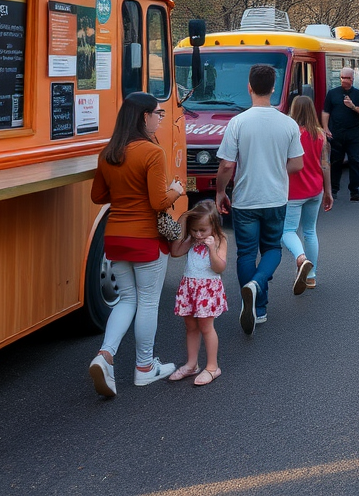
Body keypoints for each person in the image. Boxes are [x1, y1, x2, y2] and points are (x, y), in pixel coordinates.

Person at [88, 91, 184, 397]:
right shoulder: (152, 153)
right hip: (146, 239)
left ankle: (105, 355)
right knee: (148, 302)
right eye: (158, 114)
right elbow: (158, 202)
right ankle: (144, 367)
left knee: (126, 300)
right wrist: (177, 190)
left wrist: (124, 191)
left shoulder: (109, 152)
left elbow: (98, 196)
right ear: (144, 117)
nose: (160, 118)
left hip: (115, 237)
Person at [215, 64, 304, 335]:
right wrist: (277, 168)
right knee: (272, 250)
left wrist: (220, 192)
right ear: (274, 88)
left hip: (245, 199)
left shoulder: (238, 123)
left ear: (249, 87)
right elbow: (298, 164)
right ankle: (259, 296)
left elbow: (227, 166)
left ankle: (254, 304)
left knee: (245, 253)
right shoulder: (288, 123)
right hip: (276, 198)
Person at [169, 200, 228, 386]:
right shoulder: (191, 240)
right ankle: (191, 364)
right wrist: (184, 219)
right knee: (190, 327)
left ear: (214, 226)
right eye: (195, 229)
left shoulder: (219, 240)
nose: (198, 234)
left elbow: (219, 268)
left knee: (206, 327)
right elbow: (175, 251)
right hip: (190, 287)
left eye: (203, 230)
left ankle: (212, 366)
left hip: (207, 289)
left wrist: (211, 249)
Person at [282, 95, 333, 292]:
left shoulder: (289, 134)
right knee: (310, 231)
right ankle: (311, 276)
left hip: (293, 190)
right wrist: (328, 191)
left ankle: (300, 258)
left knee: (286, 231)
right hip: (315, 188)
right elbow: (325, 165)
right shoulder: (320, 134)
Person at [322, 67, 359, 201]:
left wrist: (352, 106)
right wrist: (326, 128)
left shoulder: (357, 94)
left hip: (353, 133)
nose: (344, 80)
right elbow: (326, 112)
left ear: (352, 79)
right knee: (336, 161)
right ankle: (334, 190)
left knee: (354, 160)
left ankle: (354, 191)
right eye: (342, 78)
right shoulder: (332, 93)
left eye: (347, 78)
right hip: (336, 132)